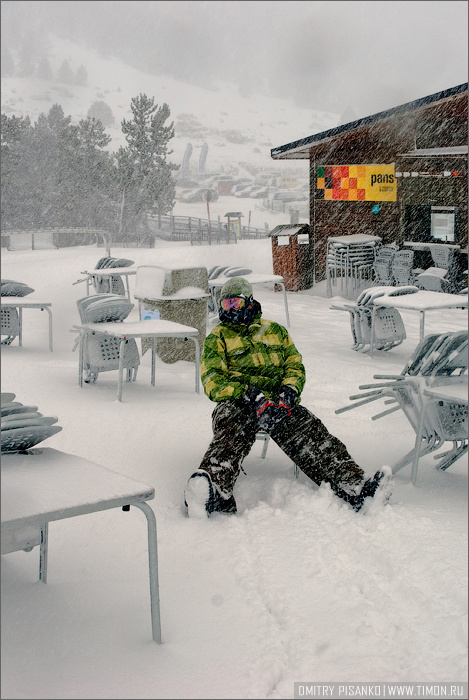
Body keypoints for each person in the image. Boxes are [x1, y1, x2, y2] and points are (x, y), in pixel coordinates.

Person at [184, 277, 392, 518]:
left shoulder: (275, 331)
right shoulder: (218, 338)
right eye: (226, 304)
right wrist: (251, 395)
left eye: (236, 303)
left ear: (248, 301)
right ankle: (214, 492)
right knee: (231, 429)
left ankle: (356, 487)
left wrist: (288, 394)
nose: (230, 309)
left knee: (311, 432)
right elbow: (213, 381)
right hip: (238, 401)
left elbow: (294, 365)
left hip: (276, 403)